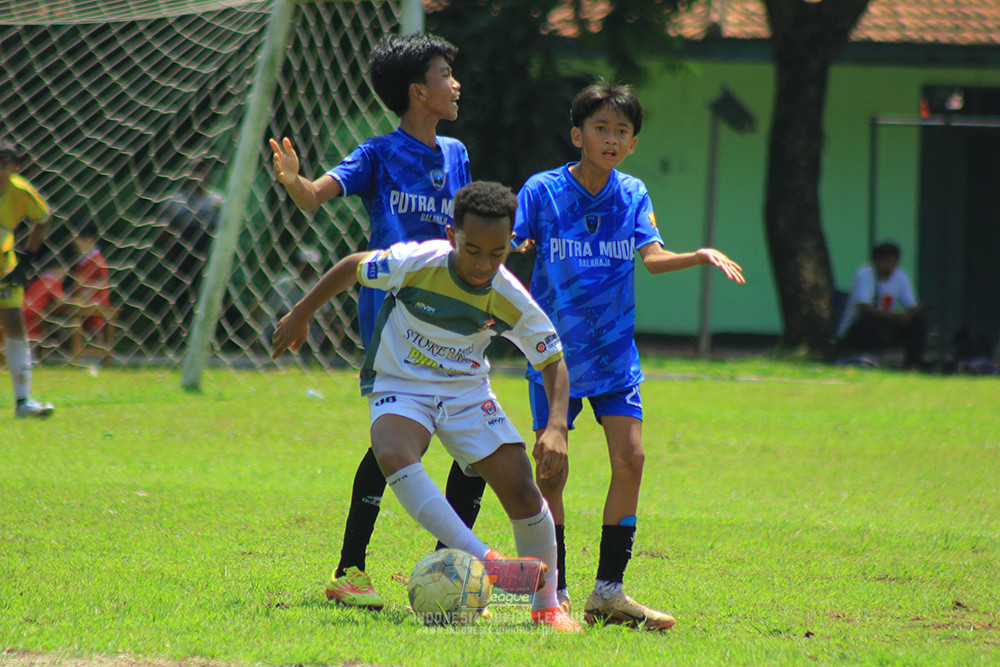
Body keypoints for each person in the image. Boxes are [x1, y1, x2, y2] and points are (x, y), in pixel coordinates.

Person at [271, 181, 581, 631]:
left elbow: (552, 359)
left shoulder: (508, 294)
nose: (483, 265)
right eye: (472, 250)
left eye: (496, 254)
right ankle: (486, 560)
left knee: (522, 487)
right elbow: (353, 266)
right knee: (392, 450)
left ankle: (546, 605)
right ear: (453, 237)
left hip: (467, 392)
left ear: (510, 246)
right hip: (402, 383)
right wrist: (301, 312)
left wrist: (556, 427)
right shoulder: (419, 263)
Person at [513, 82, 745, 630]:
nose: (612, 138)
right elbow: (514, 244)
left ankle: (608, 593)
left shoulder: (633, 193)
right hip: (554, 356)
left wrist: (698, 255)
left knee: (632, 460)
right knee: (551, 473)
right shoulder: (542, 191)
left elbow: (653, 257)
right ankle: (556, 593)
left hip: (615, 354)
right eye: (601, 128)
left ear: (633, 143)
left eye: (622, 131)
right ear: (578, 135)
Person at [269, 33, 485, 609]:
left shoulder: (457, 154)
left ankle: (448, 562)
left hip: (454, 319)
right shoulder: (378, 153)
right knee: (402, 441)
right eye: (445, 73)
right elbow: (315, 196)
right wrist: (294, 180)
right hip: (395, 320)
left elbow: (466, 233)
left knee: (474, 446)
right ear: (418, 91)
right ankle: (350, 570)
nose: (455, 82)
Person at [0, 140, 55, 418]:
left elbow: (44, 219)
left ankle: (23, 401)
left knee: (15, 325)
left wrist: (28, 260)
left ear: (15, 169)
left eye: (4, 166)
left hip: (3, 268)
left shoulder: (21, 192)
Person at [835, 242, 930, 369]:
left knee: (918, 324)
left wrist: (917, 312)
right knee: (867, 322)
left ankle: (912, 363)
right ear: (875, 262)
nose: (888, 266)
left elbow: (910, 305)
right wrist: (895, 317)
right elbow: (864, 307)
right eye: (884, 262)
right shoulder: (864, 275)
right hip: (859, 327)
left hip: (887, 324)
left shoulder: (901, 277)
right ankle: (866, 358)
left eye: (892, 262)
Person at [23, 246, 115, 359]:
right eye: (63, 273)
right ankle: (31, 358)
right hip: (32, 314)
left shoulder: (39, 280)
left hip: (24, 311)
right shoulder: (51, 282)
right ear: (57, 271)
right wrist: (74, 299)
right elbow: (62, 299)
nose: (64, 277)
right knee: (32, 338)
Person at [67, 220, 112, 337]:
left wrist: (86, 293)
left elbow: (102, 282)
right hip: (80, 301)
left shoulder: (97, 260)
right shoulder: (81, 261)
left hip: (95, 302)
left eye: (77, 239)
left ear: (88, 239)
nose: (73, 243)